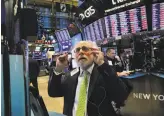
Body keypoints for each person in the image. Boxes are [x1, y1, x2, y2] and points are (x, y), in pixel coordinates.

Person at [48, 41, 129, 116]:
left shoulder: (104, 73)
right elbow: (53, 92)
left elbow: (121, 96)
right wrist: (58, 68)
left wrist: (101, 63)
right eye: (77, 50)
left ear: (95, 53)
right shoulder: (69, 76)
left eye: (85, 49)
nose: (81, 52)